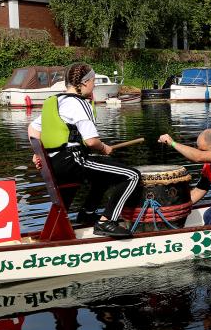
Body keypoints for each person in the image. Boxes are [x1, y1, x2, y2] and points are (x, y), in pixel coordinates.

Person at [28, 62, 140, 238]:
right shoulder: (80, 104)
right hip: (72, 161)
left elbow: (33, 130)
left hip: (55, 164)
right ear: (86, 82)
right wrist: (104, 148)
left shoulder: (56, 101)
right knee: (131, 175)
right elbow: (91, 141)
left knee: (103, 175)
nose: (94, 85)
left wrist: (38, 154)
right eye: (94, 81)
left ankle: (87, 214)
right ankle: (107, 222)